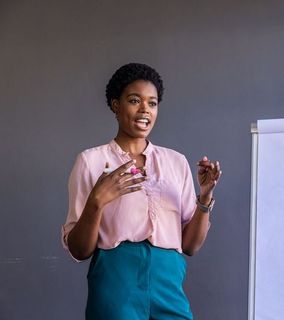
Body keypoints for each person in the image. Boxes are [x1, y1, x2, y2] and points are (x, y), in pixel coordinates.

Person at [61, 63, 221, 320]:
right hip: (116, 281)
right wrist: (96, 202)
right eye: (134, 100)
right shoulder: (91, 161)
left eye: (152, 103)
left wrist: (204, 196)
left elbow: (190, 246)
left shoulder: (176, 162)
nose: (145, 109)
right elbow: (79, 251)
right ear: (116, 105)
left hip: (168, 281)